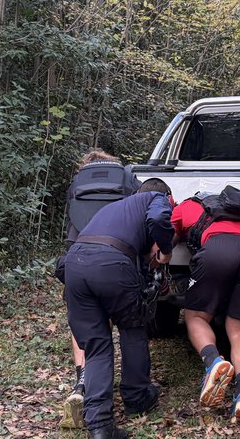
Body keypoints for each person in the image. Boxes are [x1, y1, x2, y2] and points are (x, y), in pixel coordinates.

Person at [63, 179, 175, 439]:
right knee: (132, 328)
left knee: (97, 346)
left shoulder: (115, 209)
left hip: (75, 264)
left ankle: (100, 425)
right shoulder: (156, 198)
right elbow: (159, 219)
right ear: (166, 195)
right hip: (111, 262)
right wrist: (166, 252)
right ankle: (137, 397)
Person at [170, 186, 240, 421]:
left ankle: (213, 362)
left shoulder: (186, 206)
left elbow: (166, 241)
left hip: (218, 250)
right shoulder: (237, 210)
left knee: (196, 317)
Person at [59, 150, 136, 429]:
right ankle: (129, 387)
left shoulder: (77, 187)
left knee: (86, 327)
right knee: (115, 322)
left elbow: (70, 227)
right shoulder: (124, 181)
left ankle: (82, 381)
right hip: (117, 260)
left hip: (78, 260)